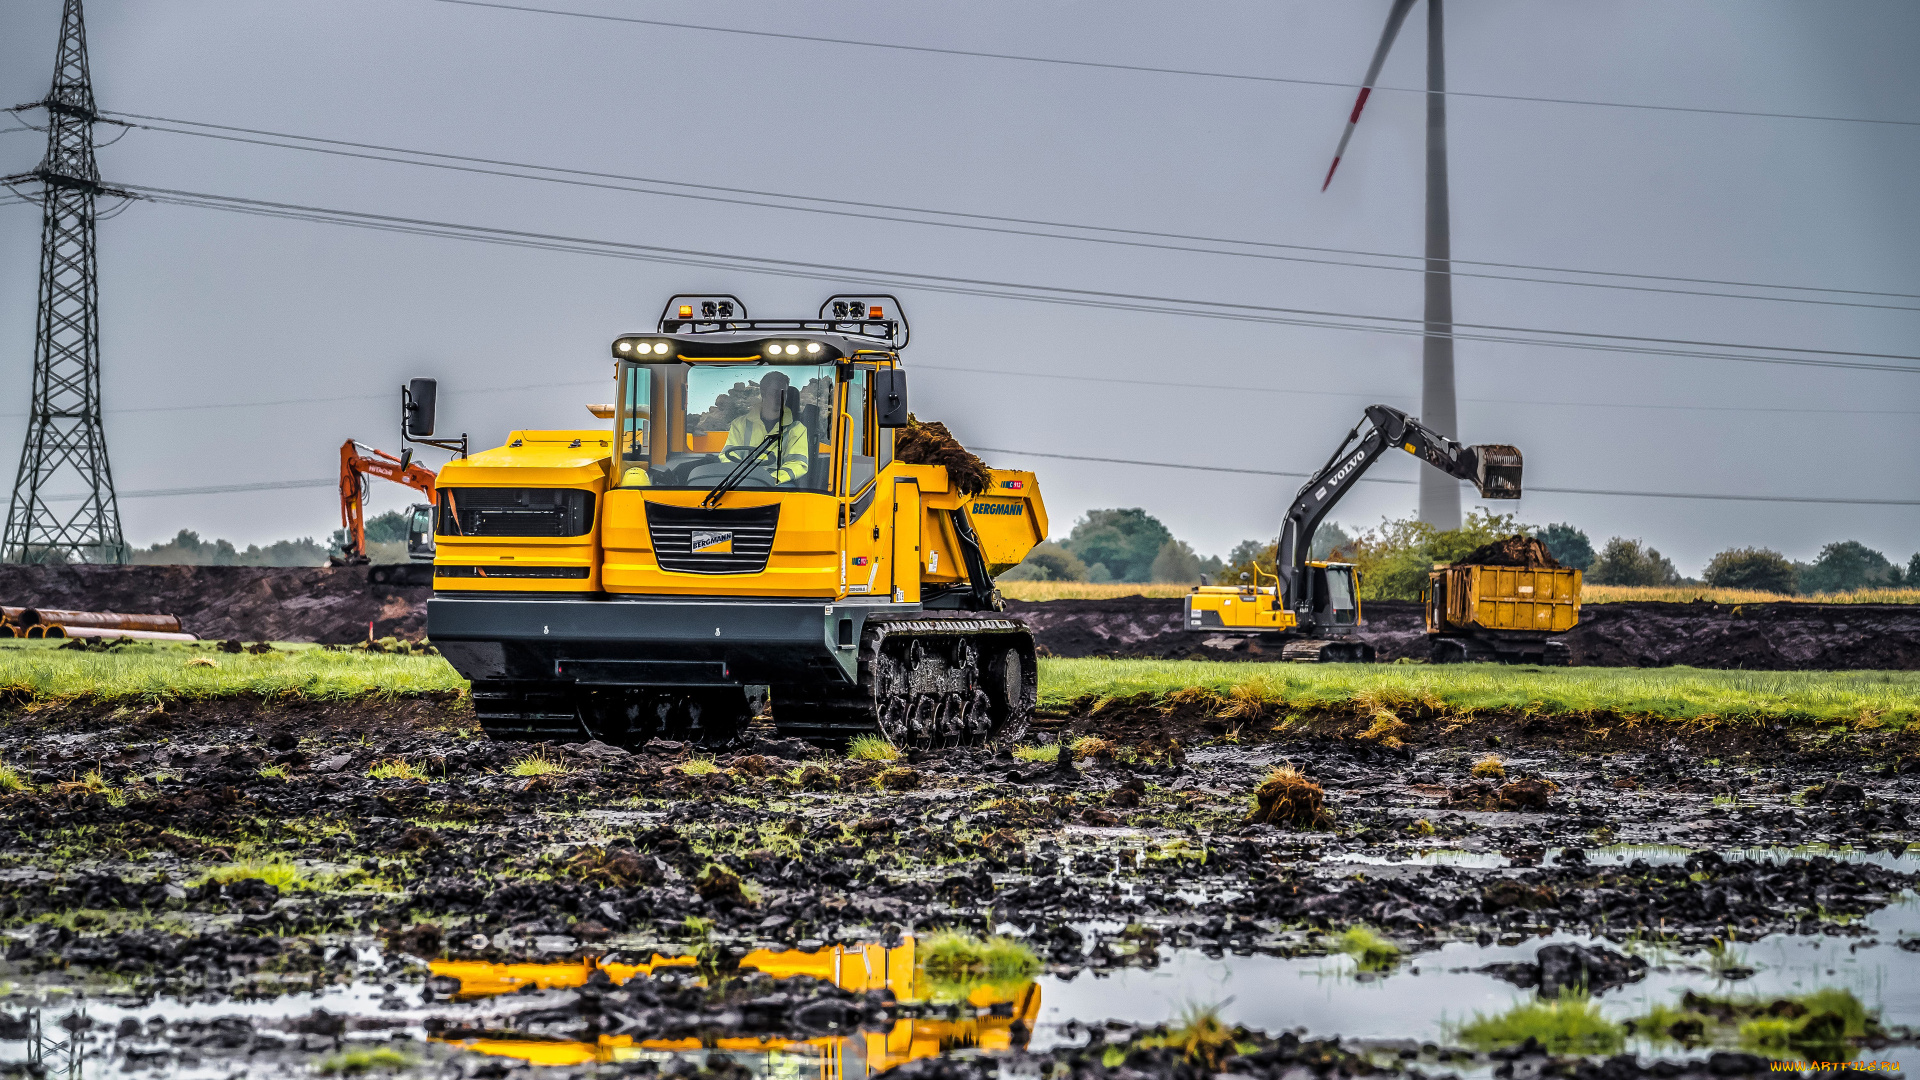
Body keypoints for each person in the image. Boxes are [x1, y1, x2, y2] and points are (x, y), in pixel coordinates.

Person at [721, 370, 809, 485]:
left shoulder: (797, 428)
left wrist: (770, 479)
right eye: (775, 392)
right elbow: (729, 456)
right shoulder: (740, 424)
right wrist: (740, 478)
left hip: (777, 483)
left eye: (784, 392)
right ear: (763, 393)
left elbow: (797, 463)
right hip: (743, 481)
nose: (780, 397)